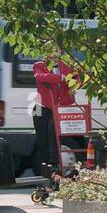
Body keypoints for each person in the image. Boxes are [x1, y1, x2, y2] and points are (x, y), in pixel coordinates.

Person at [32, 49, 79, 180]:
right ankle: (45, 176)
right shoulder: (39, 65)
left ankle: (56, 173)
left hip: (60, 108)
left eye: (57, 51)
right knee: (43, 142)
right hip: (42, 107)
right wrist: (61, 78)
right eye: (51, 50)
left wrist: (73, 87)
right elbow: (39, 77)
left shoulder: (69, 66)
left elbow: (77, 80)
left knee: (55, 140)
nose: (54, 53)